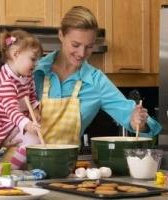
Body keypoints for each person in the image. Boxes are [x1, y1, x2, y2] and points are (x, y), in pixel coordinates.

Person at [33, 6, 162, 145]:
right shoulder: (33, 71)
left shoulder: (96, 81)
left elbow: (140, 122)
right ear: (61, 36)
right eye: (75, 45)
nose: (82, 53)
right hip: (20, 162)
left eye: (89, 46)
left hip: (66, 164)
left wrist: (139, 121)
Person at [0, 30, 43, 169]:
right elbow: (12, 110)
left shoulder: (26, 76)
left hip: (14, 127)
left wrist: (35, 109)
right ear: (16, 54)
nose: (35, 64)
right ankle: (5, 170)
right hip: (1, 134)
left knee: (35, 140)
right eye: (33, 59)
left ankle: (13, 169)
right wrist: (27, 125)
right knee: (32, 140)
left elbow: (32, 96)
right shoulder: (5, 82)